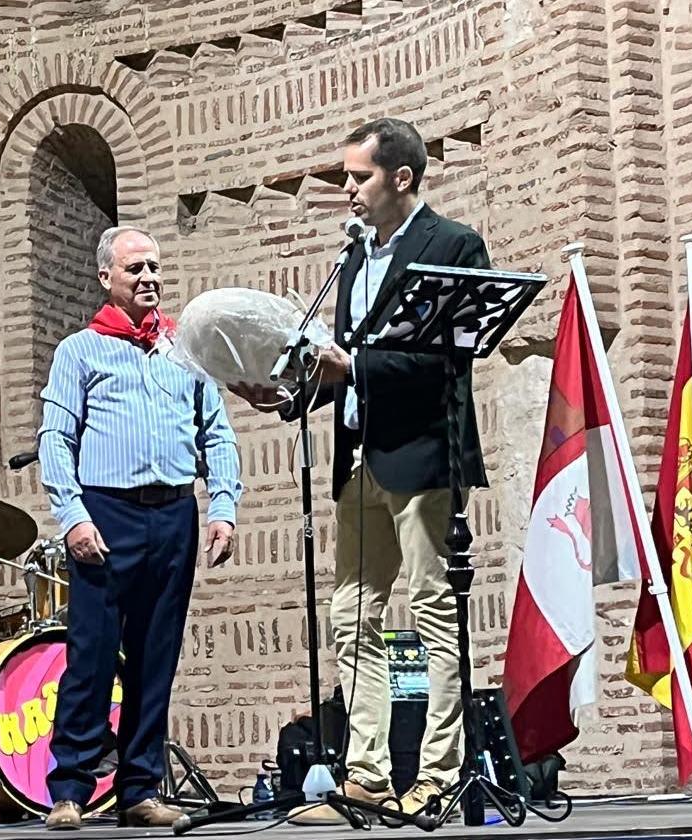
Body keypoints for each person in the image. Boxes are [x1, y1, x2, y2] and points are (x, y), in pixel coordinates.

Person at [233, 118, 489, 821]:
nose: (345, 189)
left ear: (401, 177)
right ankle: (367, 774)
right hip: (358, 459)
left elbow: (448, 356)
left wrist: (355, 365)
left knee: (434, 611)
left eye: (358, 176)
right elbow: (342, 366)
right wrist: (288, 394)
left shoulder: (454, 243)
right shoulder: (353, 259)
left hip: (422, 455)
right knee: (352, 618)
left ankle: (437, 774)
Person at [39, 226, 242, 829]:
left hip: (174, 512)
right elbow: (55, 440)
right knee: (93, 655)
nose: (149, 277)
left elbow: (218, 434)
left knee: (158, 656)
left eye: (154, 266)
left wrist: (223, 506)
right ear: (107, 278)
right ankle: (70, 788)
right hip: (107, 514)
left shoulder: (189, 348)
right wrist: (72, 516)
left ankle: (141, 787)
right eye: (135, 269)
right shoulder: (79, 351)